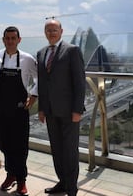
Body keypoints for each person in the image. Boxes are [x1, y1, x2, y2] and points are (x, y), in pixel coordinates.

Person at [37, 19, 86, 196]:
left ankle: (72, 188)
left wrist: (77, 110)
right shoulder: (41, 53)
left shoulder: (72, 50)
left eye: (54, 29)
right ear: (45, 32)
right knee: (56, 150)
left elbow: (80, 83)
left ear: (61, 31)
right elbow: (42, 84)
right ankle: (63, 182)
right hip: (50, 112)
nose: (51, 32)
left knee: (70, 151)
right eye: (48, 30)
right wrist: (41, 109)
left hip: (69, 112)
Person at [0, 26, 38, 196]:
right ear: (3, 40)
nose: (10, 41)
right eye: (7, 38)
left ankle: (22, 180)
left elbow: (40, 77)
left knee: (20, 145)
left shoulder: (27, 59)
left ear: (19, 40)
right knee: (4, 143)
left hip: (19, 109)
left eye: (13, 38)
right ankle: (10, 175)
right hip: (0, 108)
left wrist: (33, 95)